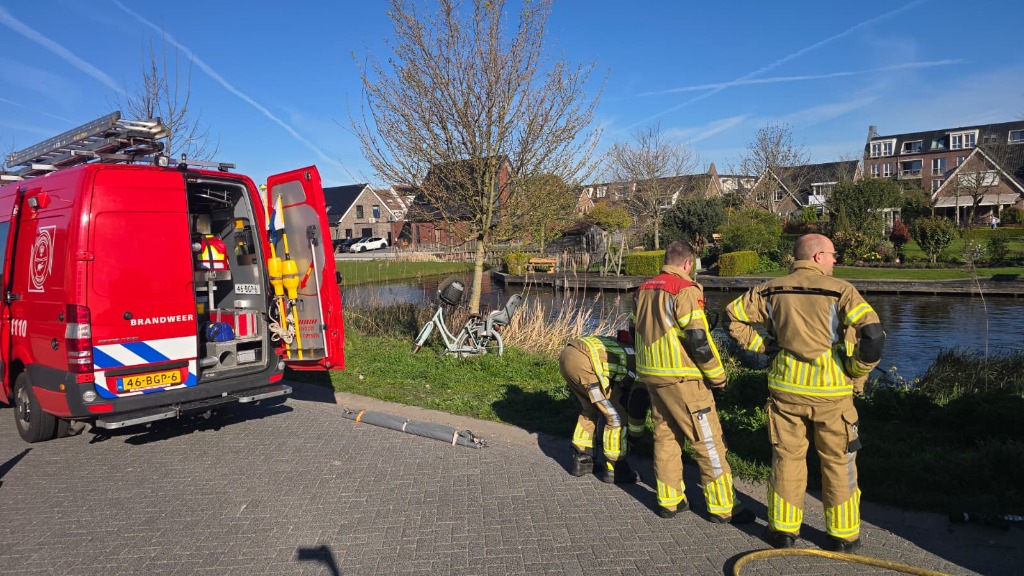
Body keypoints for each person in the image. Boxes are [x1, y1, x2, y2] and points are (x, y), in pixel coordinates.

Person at [724, 233, 885, 553]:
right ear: (816, 257)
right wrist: (857, 370)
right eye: (832, 254)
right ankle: (842, 535)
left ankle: (782, 531)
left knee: (786, 459)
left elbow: (732, 316)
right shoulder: (842, 291)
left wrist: (764, 347)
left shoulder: (770, 289)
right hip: (832, 395)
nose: (836, 260)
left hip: (786, 392)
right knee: (839, 464)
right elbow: (874, 335)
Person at [632, 240, 754, 523]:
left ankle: (669, 501)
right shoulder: (684, 290)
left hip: (652, 374)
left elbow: (635, 327)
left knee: (666, 437)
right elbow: (698, 339)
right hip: (682, 377)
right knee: (707, 442)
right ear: (688, 264)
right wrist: (717, 375)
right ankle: (723, 508)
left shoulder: (643, 289)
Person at [559, 334, 639, 483]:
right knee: (615, 417)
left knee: (590, 410)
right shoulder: (637, 362)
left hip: (568, 355)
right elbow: (625, 396)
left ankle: (582, 459)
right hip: (585, 363)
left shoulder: (623, 348)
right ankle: (616, 469)